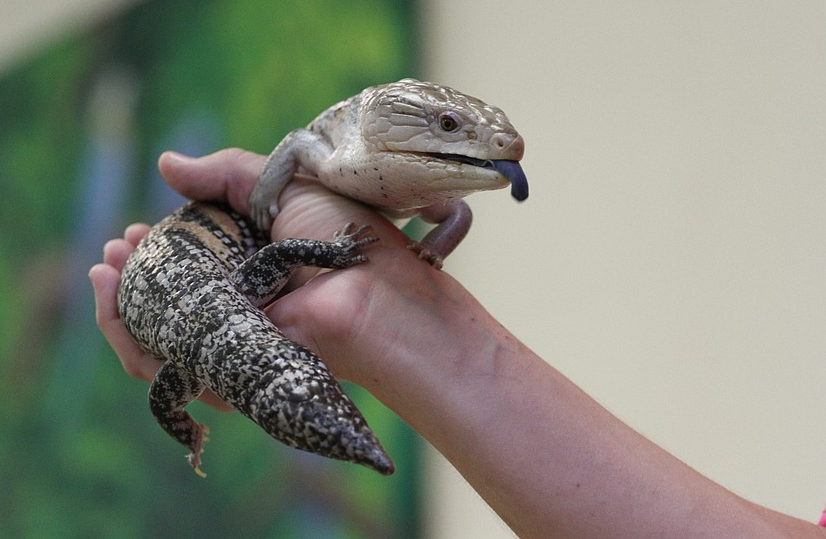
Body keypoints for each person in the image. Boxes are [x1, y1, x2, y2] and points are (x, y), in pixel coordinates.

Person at [90, 148, 823, 538]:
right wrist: (356, 274)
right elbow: (272, 263)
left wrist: (186, 427)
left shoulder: (186, 359)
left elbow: (180, 375)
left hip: (196, 292)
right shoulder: (254, 265)